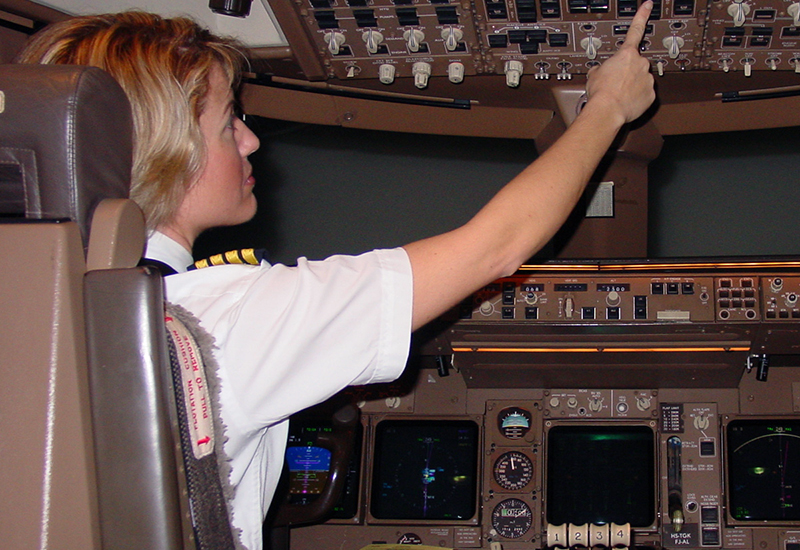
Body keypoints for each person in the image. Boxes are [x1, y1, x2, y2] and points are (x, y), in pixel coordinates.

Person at [17, 3, 655, 549]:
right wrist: (607, 106)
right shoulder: (222, 319)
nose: (250, 142)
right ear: (166, 154)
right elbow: (496, 249)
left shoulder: (37, 310)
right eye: (226, 125)